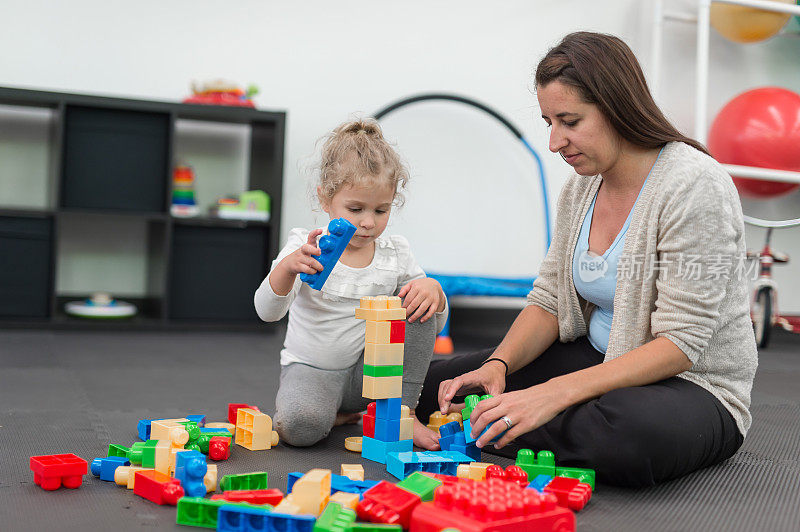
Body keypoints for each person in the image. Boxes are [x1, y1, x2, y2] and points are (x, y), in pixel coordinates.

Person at [416, 31, 758, 487]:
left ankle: (505, 424)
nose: (556, 141)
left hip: (694, 385)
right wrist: (497, 367)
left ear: (617, 106)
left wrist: (550, 394)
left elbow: (681, 343)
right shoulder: (581, 185)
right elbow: (550, 301)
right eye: (548, 122)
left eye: (570, 121)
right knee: (432, 385)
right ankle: (508, 421)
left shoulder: (695, 186)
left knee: (627, 435)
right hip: (596, 358)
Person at [255, 118, 447, 449]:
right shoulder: (307, 246)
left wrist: (434, 292)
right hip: (313, 371)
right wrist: (287, 269)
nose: (369, 222)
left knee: (421, 296)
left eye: (381, 210)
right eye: (355, 208)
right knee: (300, 429)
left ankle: (402, 411)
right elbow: (266, 313)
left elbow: (431, 325)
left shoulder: (396, 253)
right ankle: (336, 411)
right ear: (326, 199)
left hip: (370, 375)